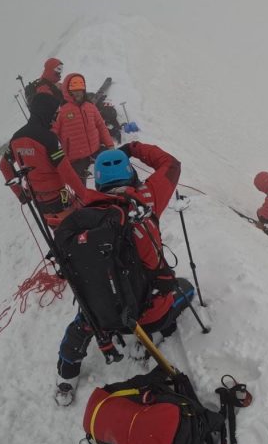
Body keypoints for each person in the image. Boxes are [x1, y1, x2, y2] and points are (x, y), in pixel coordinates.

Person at [54, 141, 194, 405]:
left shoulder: (84, 213)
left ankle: (66, 378)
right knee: (185, 288)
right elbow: (171, 165)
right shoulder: (147, 198)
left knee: (81, 321)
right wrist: (133, 148)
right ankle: (155, 334)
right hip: (148, 315)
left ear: (98, 182)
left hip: (100, 317)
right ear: (130, 174)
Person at [0, 93, 87, 225]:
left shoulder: (16, 137)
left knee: (58, 232)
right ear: (46, 112)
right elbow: (66, 171)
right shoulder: (48, 138)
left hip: (38, 200)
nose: (56, 118)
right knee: (75, 229)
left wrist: (20, 194)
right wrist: (85, 196)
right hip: (59, 196)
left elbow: (4, 165)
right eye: (55, 114)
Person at [53, 72, 115, 181]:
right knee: (80, 188)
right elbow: (52, 136)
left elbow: (101, 126)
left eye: (80, 90)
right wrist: (57, 159)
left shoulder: (90, 107)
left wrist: (110, 145)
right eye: (74, 90)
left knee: (111, 175)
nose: (78, 93)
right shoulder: (62, 111)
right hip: (75, 159)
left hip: (95, 151)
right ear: (68, 91)